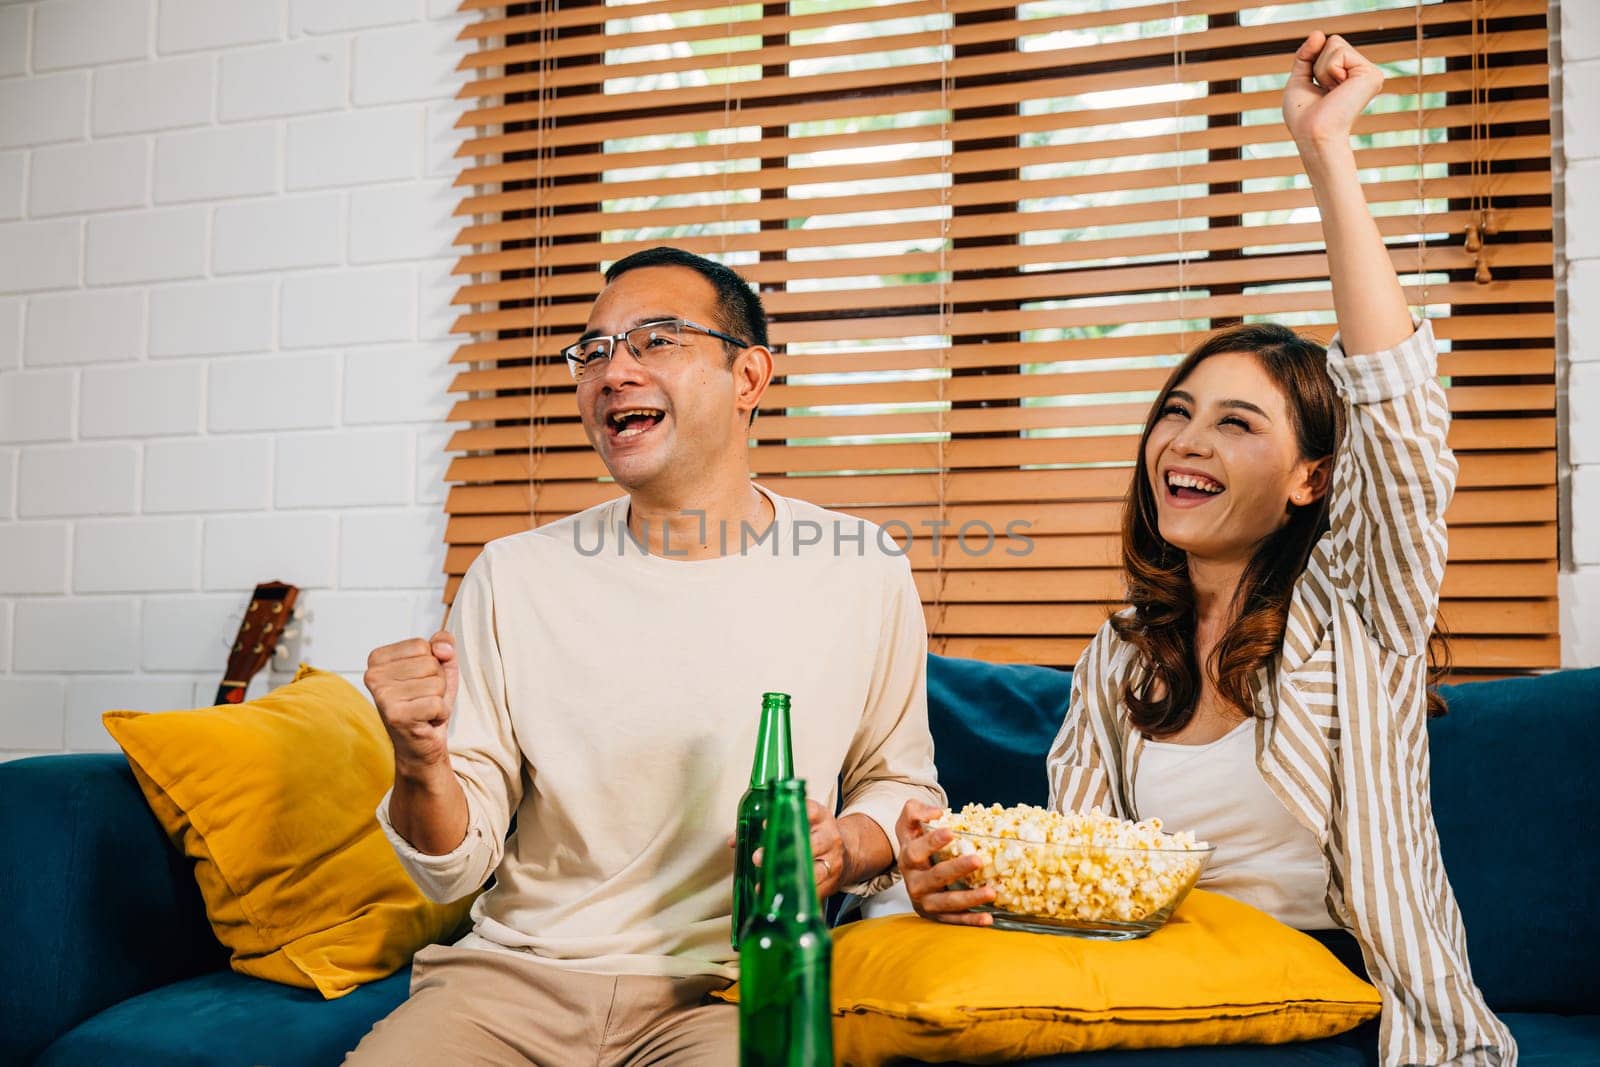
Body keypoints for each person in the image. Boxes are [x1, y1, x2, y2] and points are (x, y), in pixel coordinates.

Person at [894, 32, 1515, 1067]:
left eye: (1237, 423)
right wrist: (951, 880)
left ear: (1312, 477)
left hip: (1346, 1011)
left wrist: (1326, 151)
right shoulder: (1121, 655)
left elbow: (1401, 427)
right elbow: (1074, 885)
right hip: (1167, 1000)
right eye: (1177, 412)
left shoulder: (1359, 613)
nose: (1185, 438)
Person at [350, 246, 944, 1065]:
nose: (612, 371)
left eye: (656, 340)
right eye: (593, 350)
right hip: (511, 980)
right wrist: (419, 761)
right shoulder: (512, 575)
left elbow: (900, 780)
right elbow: (453, 871)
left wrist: (844, 844)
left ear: (749, 378)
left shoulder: (861, 565)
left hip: (730, 988)